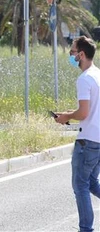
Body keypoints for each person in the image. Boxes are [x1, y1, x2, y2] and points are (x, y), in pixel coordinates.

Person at [55, 36, 100, 232]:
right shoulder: (98, 75)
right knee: (90, 182)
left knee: (80, 186)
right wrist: (69, 114)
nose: (71, 55)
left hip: (87, 141)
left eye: (72, 52)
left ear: (81, 55)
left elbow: (83, 113)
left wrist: (66, 117)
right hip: (98, 139)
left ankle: (86, 229)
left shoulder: (84, 79)